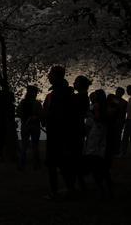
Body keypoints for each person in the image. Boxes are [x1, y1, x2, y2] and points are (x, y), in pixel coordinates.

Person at [43, 65, 81, 198]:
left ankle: (55, 192)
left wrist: (45, 117)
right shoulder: (65, 92)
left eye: (50, 74)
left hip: (57, 134)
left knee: (54, 163)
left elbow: (57, 115)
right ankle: (69, 189)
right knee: (63, 163)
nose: (48, 76)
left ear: (56, 76)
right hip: (62, 133)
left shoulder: (58, 94)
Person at [83, 89, 113, 198]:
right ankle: (106, 189)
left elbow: (97, 118)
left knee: (95, 163)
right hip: (101, 137)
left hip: (97, 136)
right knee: (101, 166)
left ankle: (101, 189)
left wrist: (92, 113)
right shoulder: (107, 107)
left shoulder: (97, 107)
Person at [18, 85, 42, 170]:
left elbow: (19, 113)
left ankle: (22, 164)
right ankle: (36, 164)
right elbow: (41, 115)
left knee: (24, 145)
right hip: (35, 126)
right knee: (35, 145)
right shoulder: (37, 103)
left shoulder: (22, 102)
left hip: (25, 126)